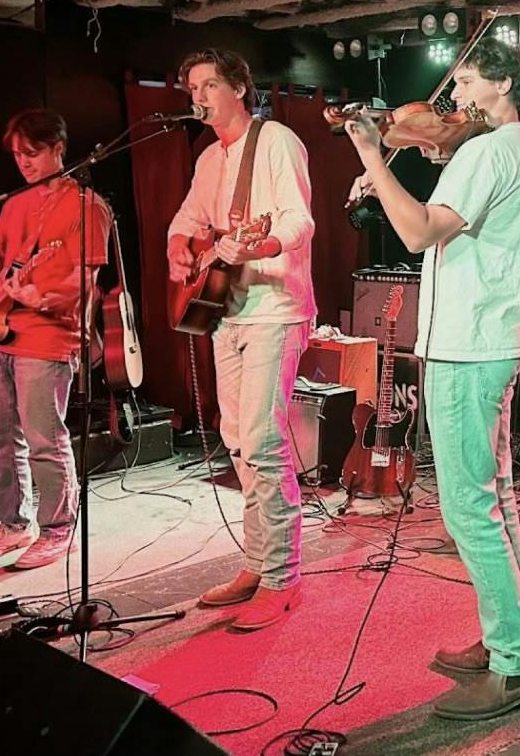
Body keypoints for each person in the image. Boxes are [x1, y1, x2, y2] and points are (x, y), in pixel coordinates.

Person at [345, 39, 520, 721]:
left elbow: (420, 231)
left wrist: (374, 155)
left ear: (502, 83)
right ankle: (505, 640)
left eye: (464, 82)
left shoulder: (488, 150)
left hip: (469, 346)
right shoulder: (503, 145)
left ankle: (516, 667)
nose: (451, 97)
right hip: (486, 342)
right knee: (497, 501)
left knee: (467, 508)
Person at [166, 49, 315, 632]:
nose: (196, 96)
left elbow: (298, 221)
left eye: (205, 84)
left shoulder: (275, 139)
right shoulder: (208, 159)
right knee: (235, 439)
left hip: (274, 308)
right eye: (190, 88)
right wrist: (180, 246)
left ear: (237, 87)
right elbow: (185, 220)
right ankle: (257, 562)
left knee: (261, 437)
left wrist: (261, 245)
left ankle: (282, 578)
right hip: (225, 308)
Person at [0, 108, 112, 570]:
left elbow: (84, 282)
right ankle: (13, 523)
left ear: (57, 148)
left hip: (49, 338)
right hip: (0, 335)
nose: (24, 163)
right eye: (17, 156)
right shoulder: (15, 204)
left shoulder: (87, 207)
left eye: (32, 153)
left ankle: (58, 527)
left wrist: (41, 295)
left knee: (44, 438)